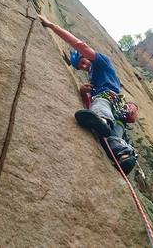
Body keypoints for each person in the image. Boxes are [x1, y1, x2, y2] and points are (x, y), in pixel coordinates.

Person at [38, 15, 137, 175]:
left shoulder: (102, 62)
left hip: (109, 101)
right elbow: (89, 104)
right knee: (109, 141)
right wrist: (83, 92)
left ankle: (104, 121)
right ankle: (125, 157)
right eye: (81, 66)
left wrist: (52, 26)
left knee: (100, 106)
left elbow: (79, 45)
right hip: (118, 113)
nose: (85, 66)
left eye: (84, 61)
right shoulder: (94, 80)